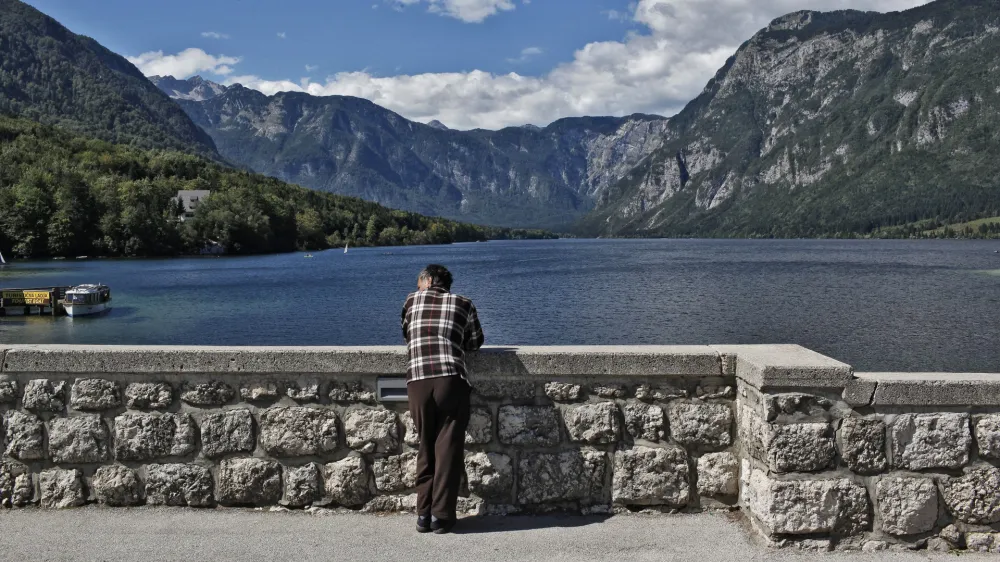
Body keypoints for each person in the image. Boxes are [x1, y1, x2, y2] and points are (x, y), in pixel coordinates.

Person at [401, 264, 484, 534]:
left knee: (425, 446)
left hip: (418, 381)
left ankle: (422, 516)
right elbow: (475, 342)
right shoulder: (464, 303)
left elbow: (406, 333)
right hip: (450, 379)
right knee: (447, 449)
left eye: (418, 282)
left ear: (428, 280)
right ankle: (441, 517)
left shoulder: (411, 301)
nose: (417, 287)